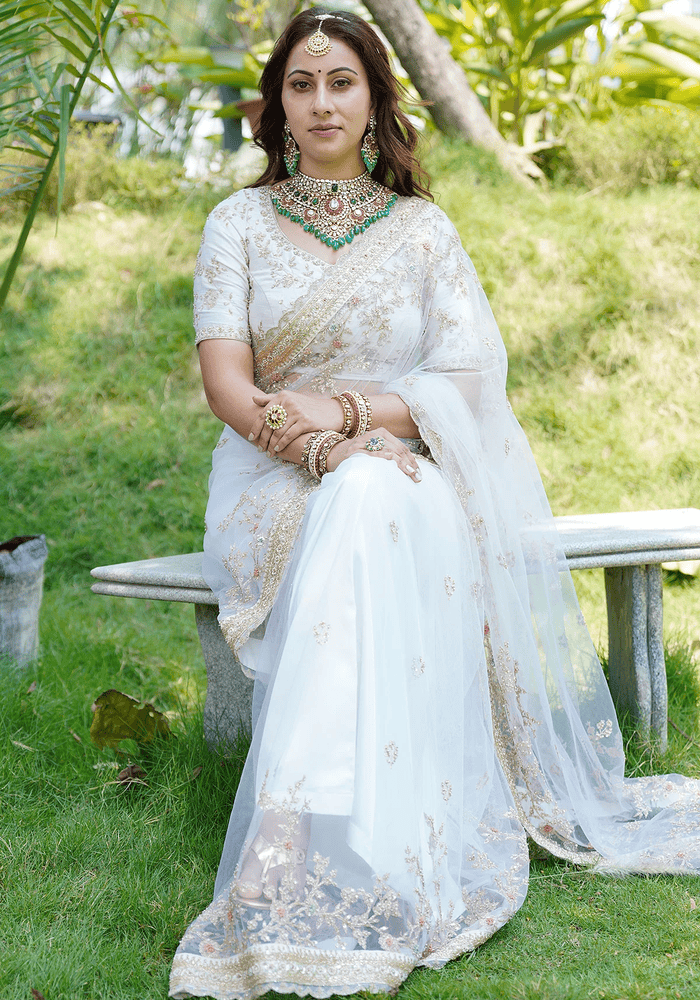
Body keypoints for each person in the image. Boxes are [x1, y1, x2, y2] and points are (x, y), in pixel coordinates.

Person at [169, 9, 700, 999]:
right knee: (363, 489)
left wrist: (354, 417)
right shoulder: (237, 224)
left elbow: (467, 383)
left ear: (375, 98)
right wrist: (322, 444)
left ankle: (327, 838)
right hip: (271, 478)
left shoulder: (422, 232)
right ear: (277, 103)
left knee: (377, 489)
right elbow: (228, 386)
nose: (321, 103)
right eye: (300, 84)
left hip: (410, 469)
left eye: (341, 82)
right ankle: (328, 836)